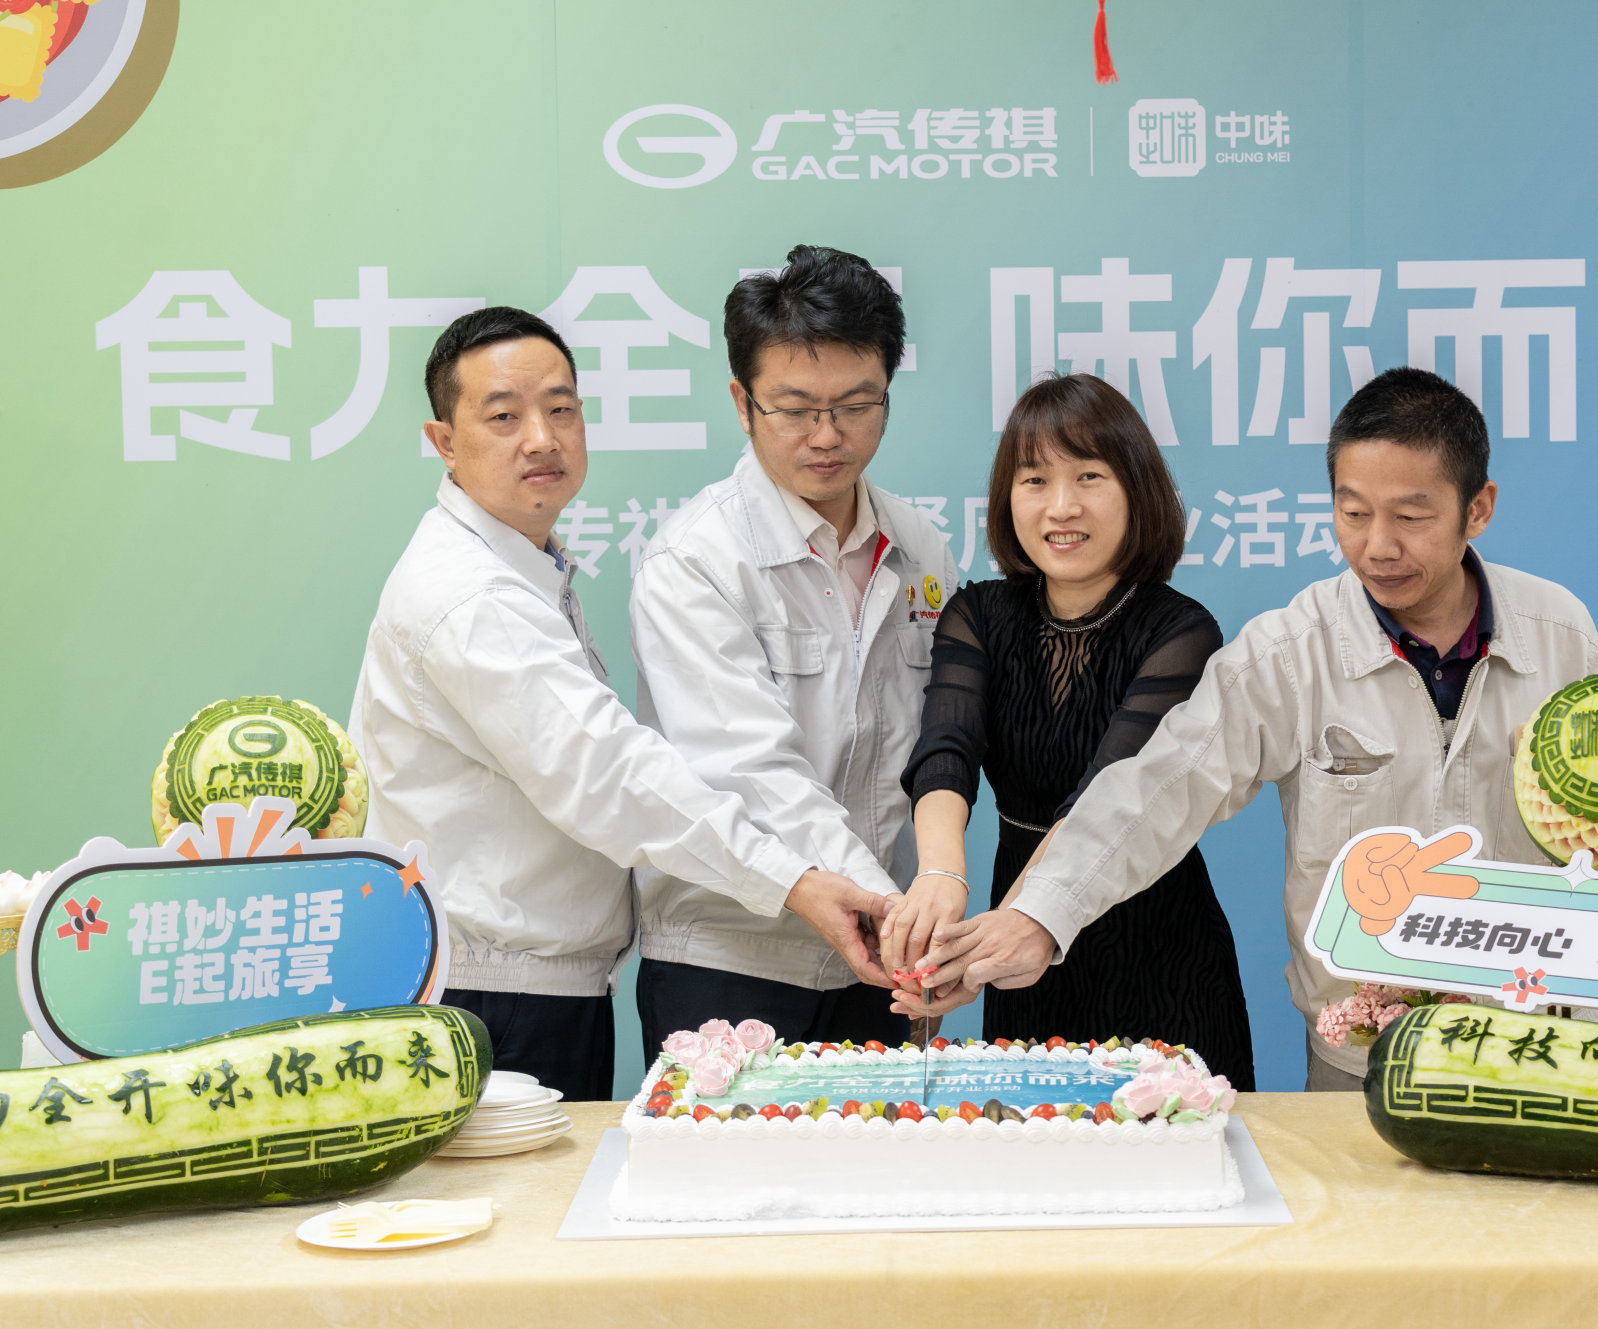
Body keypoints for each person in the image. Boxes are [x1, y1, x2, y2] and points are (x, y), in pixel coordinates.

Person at [898, 367, 1598, 1092]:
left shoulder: (1560, 633)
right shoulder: (1289, 651)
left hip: (1543, 1039)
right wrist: (1041, 916)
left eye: (1411, 517)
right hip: (1367, 1050)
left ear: (1477, 508)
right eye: (1353, 513)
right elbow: (1160, 788)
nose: (1378, 546)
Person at [350, 306, 893, 1101]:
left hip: (538, 985)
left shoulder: (520, 566)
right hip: (486, 997)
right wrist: (796, 880)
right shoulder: (470, 596)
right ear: (445, 441)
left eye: (561, 409)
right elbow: (612, 775)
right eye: (503, 417)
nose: (541, 437)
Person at [628, 246, 956, 1060]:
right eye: (795, 409)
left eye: (856, 404)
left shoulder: (920, 547)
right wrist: (898, 916)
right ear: (742, 402)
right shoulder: (698, 559)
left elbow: (941, 746)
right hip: (731, 957)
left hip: (878, 961)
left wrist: (917, 928)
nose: (828, 435)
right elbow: (754, 771)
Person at [889, 373, 1257, 1088]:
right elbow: (945, 752)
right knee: (1031, 1146)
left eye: (1089, 476)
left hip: (1157, 942)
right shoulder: (978, 614)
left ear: (1136, 490)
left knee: (1182, 1146)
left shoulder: (1181, 631)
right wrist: (941, 879)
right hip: (1019, 948)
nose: (1062, 506)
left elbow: (1103, 795)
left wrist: (1001, 936)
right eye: (1035, 479)